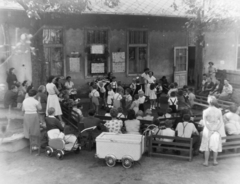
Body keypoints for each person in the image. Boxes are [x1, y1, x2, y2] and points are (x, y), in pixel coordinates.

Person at [200, 96, 226, 166]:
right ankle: (215, 161)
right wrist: (216, 129)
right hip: (216, 128)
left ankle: (206, 162)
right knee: (215, 144)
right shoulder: (219, 111)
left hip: (208, 129)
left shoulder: (205, 111)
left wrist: (210, 129)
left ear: (208, 102)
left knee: (207, 146)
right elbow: (221, 122)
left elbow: (205, 123)